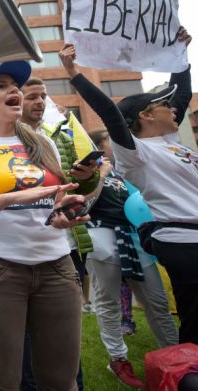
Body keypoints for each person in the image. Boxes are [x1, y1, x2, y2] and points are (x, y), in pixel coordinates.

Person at [0, 60, 88, 391]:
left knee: (62, 381)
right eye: (0, 85)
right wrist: (11, 199)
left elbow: (55, 200)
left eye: (15, 85)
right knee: (1, 383)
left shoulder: (42, 143)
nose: (13, 90)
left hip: (58, 267)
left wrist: (65, 211)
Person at [58, 27, 198, 345]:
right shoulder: (136, 152)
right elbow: (109, 112)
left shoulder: (170, 141)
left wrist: (180, 54)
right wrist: (74, 73)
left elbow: (182, 94)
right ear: (146, 115)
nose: (175, 108)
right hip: (182, 239)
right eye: (165, 106)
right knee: (194, 319)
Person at [19, 76, 101, 390]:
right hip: (26, 248)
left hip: (67, 244)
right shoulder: (1, 142)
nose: (40, 102)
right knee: (26, 331)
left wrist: (89, 177)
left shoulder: (61, 136)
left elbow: (79, 188)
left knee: (65, 329)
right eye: (32, 96)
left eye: (43, 96)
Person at [83, 129, 178, 388]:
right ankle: (118, 359)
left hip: (135, 235)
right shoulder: (88, 170)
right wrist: (100, 175)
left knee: (157, 301)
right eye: (111, 142)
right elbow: (83, 204)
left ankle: (176, 358)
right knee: (108, 301)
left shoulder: (129, 172)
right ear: (101, 148)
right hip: (102, 235)